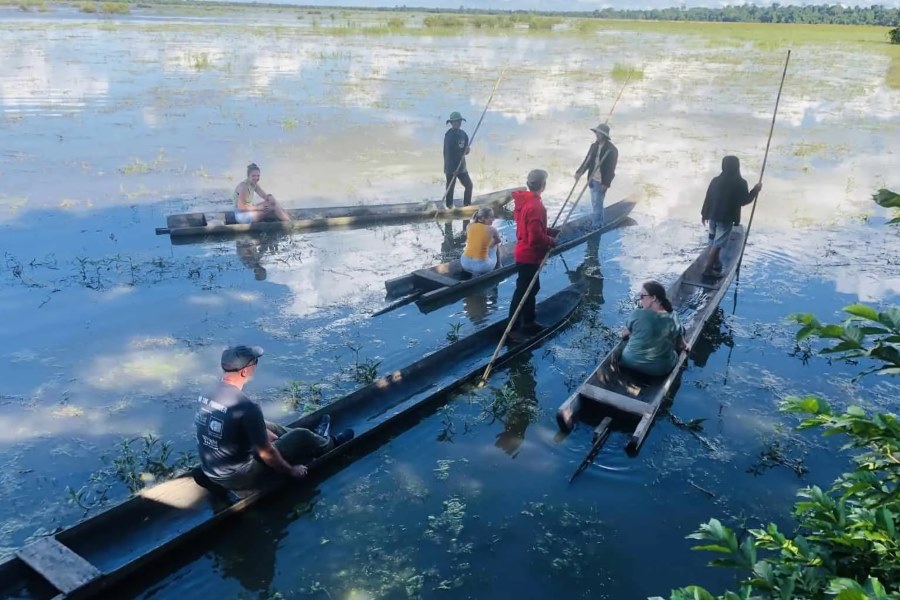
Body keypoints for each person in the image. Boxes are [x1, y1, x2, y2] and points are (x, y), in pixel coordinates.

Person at [195, 345, 353, 492]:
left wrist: (269, 437)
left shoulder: (207, 391)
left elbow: (237, 426)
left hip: (212, 471)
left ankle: (314, 439)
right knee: (301, 434)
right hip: (240, 477)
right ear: (244, 371)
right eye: (255, 362)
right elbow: (266, 453)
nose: (256, 365)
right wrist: (292, 471)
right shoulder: (247, 407)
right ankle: (330, 443)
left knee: (266, 425)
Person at [508, 169, 558, 335]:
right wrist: (551, 241)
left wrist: (548, 231)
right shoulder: (536, 206)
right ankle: (513, 330)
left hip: (523, 252)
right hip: (529, 255)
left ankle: (529, 322)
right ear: (543, 186)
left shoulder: (524, 202)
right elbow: (535, 238)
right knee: (523, 292)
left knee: (531, 288)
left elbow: (528, 226)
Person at [700, 155, 762, 277]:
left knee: (713, 241)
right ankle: (708, 270)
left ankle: (716, 263)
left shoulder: (715, 180)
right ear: (737, 166)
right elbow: (744, 201)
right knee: (717, 244)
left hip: (712, 216)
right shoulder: (740, 182)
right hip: (725, 218)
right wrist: (755, 190)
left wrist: (704, 214)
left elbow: (708, 198)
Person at [619, 281, 689, 378]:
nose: (640, 299)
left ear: (653, 298)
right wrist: (686, 347)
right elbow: (681, 345)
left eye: (642, 296)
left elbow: (624, 335)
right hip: (659, 370)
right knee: (681, 331)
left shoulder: (637, 313)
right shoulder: (674, 316)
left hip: (629, 362)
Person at [575, 123, 618, 228]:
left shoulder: (612, 150)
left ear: (604, 135)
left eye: (599, 134)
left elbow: (611, 169)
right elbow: (587, 161)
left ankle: (596, 225)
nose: (597, 135)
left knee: (597, 204)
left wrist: (606, 183)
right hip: (592, 179)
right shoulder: (594, 146)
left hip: (601, 181)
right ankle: (598, 221)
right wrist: (579, 172)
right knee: (596, 203)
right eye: (597, 133)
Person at [443, 111, 473, 209]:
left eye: (459, 121)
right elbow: (448, 154)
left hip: (461, 166)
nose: (458, 123)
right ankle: (449, 206)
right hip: (451, 166)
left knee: (469, 185)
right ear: (451, 123)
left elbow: (465, 151)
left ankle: (467, 205)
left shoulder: (464, 135)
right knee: (450, 188)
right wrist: (453, 170)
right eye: (455, 122)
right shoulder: (449, 136)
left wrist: (467, 150)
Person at [460, 207, 501, 275]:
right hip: (481, 267)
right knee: (495, 243)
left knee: (481, 243)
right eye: (490, 217)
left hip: (464, 263)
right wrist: (489, 244)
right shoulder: (492, 229)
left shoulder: (469, 226)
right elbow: (498, 241)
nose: (493, 219)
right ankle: (499, 265)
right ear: (482, 218)